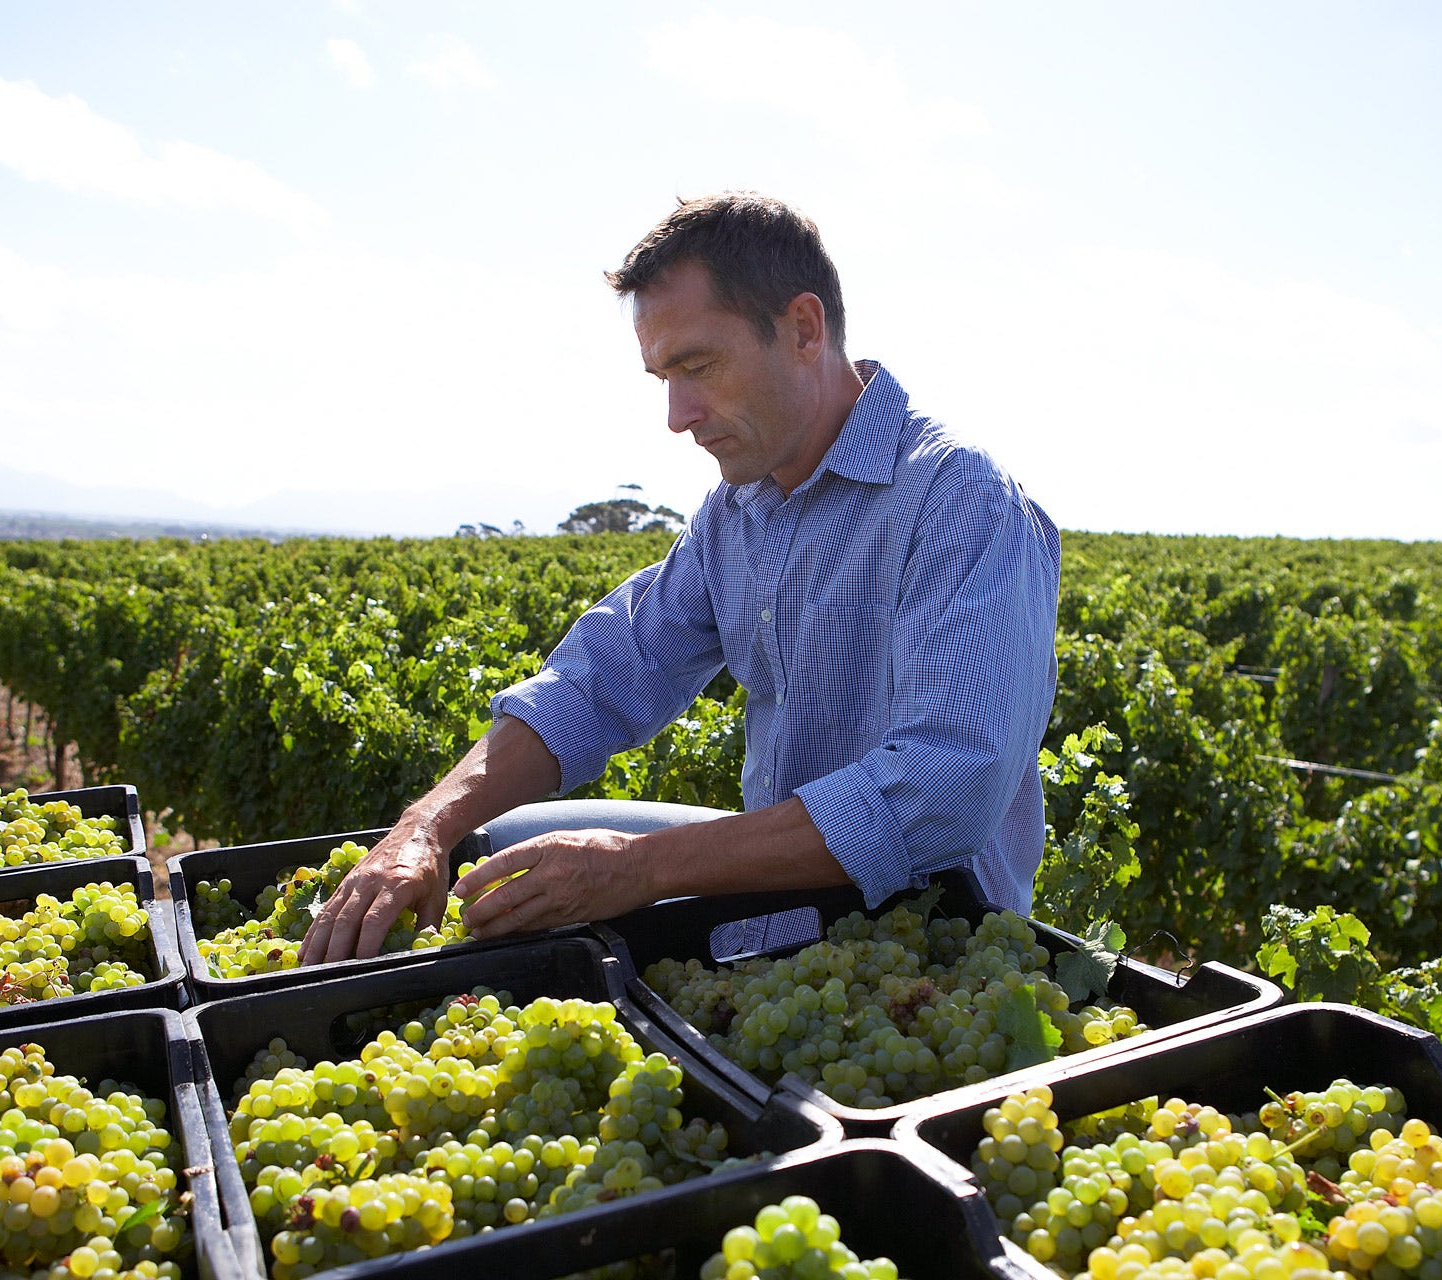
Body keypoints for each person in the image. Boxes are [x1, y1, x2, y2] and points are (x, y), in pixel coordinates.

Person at [300, 192, 1060, 966]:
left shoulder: (959, 497)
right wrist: (426, 826)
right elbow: (602, 676)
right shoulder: (742, 510)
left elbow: (944, 788)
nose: (677, 414)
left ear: (803, 329)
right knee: (511, 855)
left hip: (930, 954)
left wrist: (640, 870)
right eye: (663, 376)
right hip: (789, 928)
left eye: (698, 366)